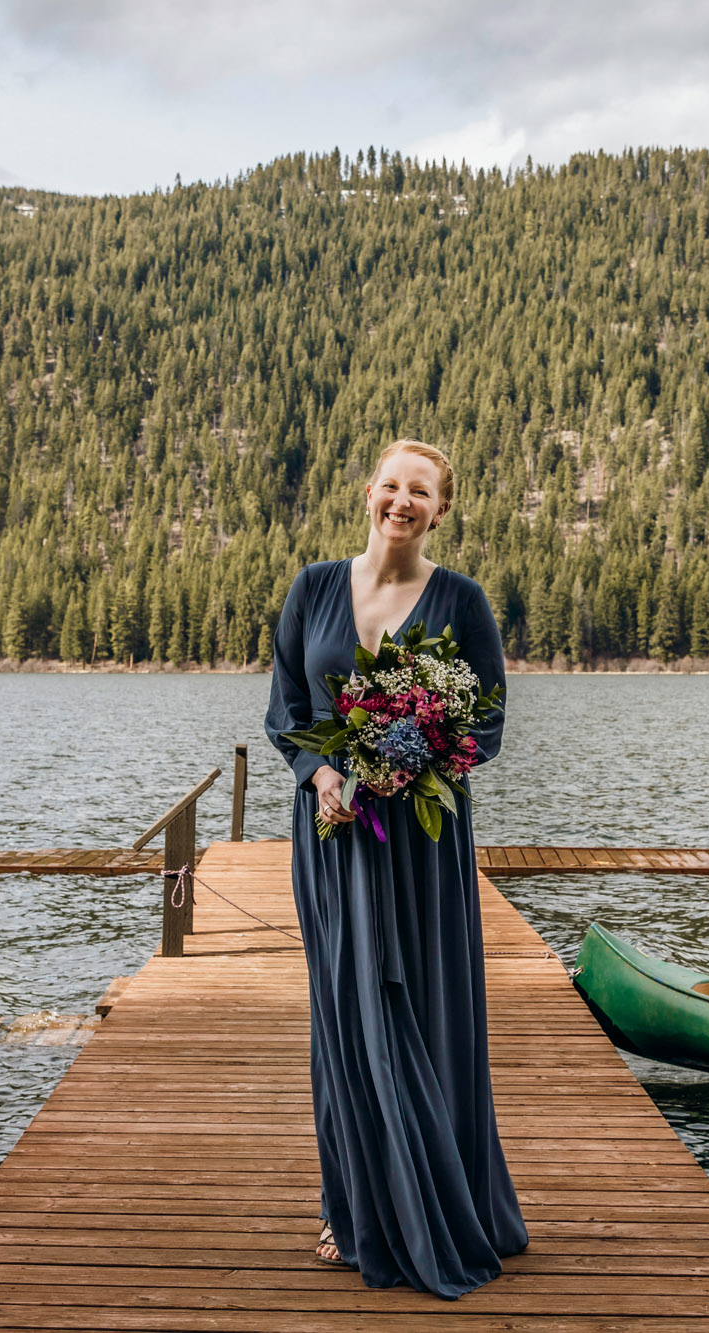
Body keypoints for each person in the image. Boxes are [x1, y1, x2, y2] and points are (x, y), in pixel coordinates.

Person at [262, 439, 529, 1298]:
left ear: (440, 509)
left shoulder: (463, 600)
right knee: (347, 1015)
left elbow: (483, 726)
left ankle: (451, 1205)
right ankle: (359, 1210)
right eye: (391, 485)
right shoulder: (312, 588)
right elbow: (286, 712)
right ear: (368, 493)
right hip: (335, 836)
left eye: (421, 491)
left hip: (421, 847)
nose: (401, 501)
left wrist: (414, 762)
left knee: (426, 1008)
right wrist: (326, 773)